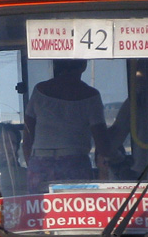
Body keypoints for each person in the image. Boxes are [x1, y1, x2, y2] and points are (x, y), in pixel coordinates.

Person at [23, 59, 118, 193]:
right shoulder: (91, 95)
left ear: (56, 64)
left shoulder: (39, 90)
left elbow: (27, 138)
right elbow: (102, 144)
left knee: (39, 210)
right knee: (74, 209)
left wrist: (33, 166)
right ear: (84, 65)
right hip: (75, 163)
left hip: (40, 162)